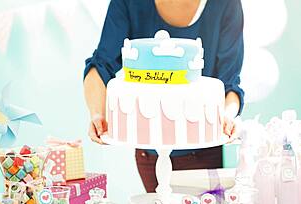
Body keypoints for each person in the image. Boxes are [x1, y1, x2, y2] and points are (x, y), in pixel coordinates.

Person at [83, 0, 244, 193]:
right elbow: (101, 64)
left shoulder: (225, 4)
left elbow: (230, 83)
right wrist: (96, 114)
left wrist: (227, 116)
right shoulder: (128, 3)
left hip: (205, 152)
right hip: (148, 152)